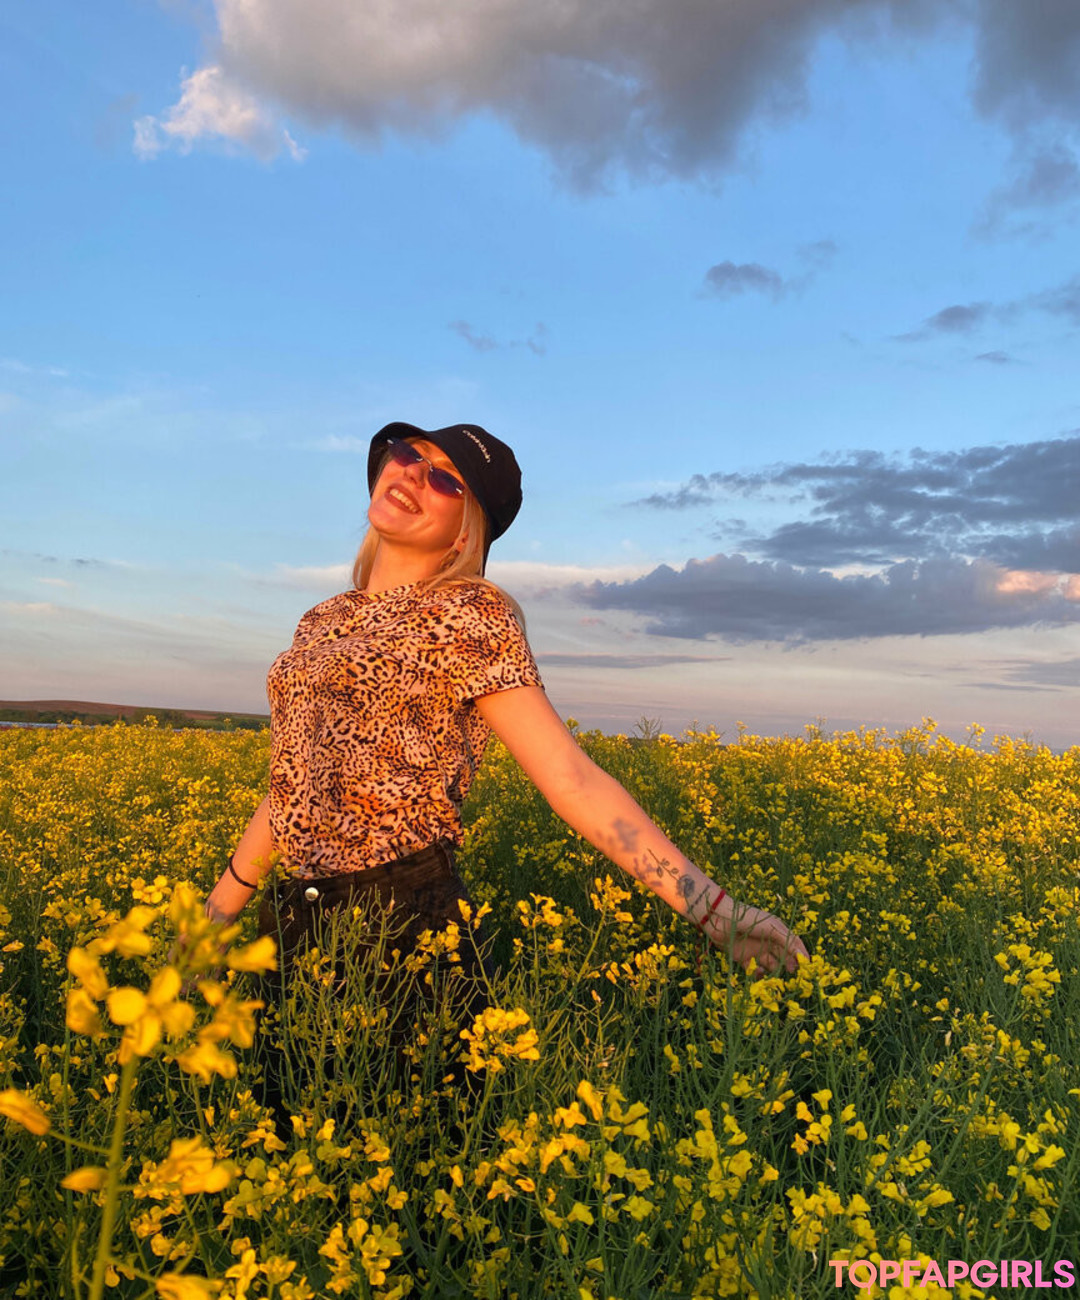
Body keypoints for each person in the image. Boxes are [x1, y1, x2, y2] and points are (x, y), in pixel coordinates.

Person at [203, 422, 808, 1073]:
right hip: (292, 917)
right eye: (408, 454)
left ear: (467, 532)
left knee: (406, 1125)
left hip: (401, 919)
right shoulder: (321, 619)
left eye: (445, 479)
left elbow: (571, 778)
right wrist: (213, 921)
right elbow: (292, 781)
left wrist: (713, 910)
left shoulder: (471, 612)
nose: (413, 472)